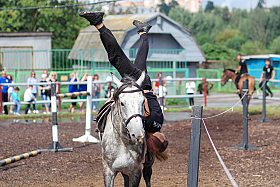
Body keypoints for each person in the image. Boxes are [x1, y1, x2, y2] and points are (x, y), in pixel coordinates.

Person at [79, 11, 168, 153]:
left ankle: (143, 32)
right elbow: (142, 101)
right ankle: (99, 23)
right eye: (151, 149)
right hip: (137, 84)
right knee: (116, 57)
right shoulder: (149, 124)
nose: (149, 150)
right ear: (152, 141)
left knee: (141, 58)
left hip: (145, 82)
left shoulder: (159, 123)